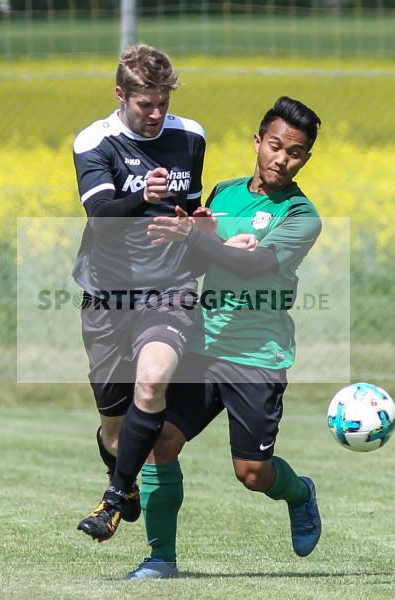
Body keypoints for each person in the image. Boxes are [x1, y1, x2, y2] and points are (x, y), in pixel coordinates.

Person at [127, 96, 324, 579]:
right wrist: (186, 238)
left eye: (295, 153)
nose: (282, 159)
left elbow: (252, 265)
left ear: (305, 160)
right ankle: (160, 559)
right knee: (161, 443)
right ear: (257, 142)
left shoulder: (302, 216)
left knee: (251, 475)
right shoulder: (223, 191)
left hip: (258, 355)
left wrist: (200, 239)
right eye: (275, 145)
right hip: (201, 346)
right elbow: (199, 262)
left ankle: (299, 493)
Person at [71, 44, 206, 542]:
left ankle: (111, 500)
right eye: (144, 104)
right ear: (120, 94)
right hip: (107, 296)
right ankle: (120, 475)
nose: (154, 115)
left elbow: (187, 209)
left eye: (162, 103)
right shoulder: (94, 142)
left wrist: (196, 229)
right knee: (114, 427)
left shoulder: (190, 137)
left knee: (151, 383)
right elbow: (102, 219)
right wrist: (140, 198)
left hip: (168, 291)